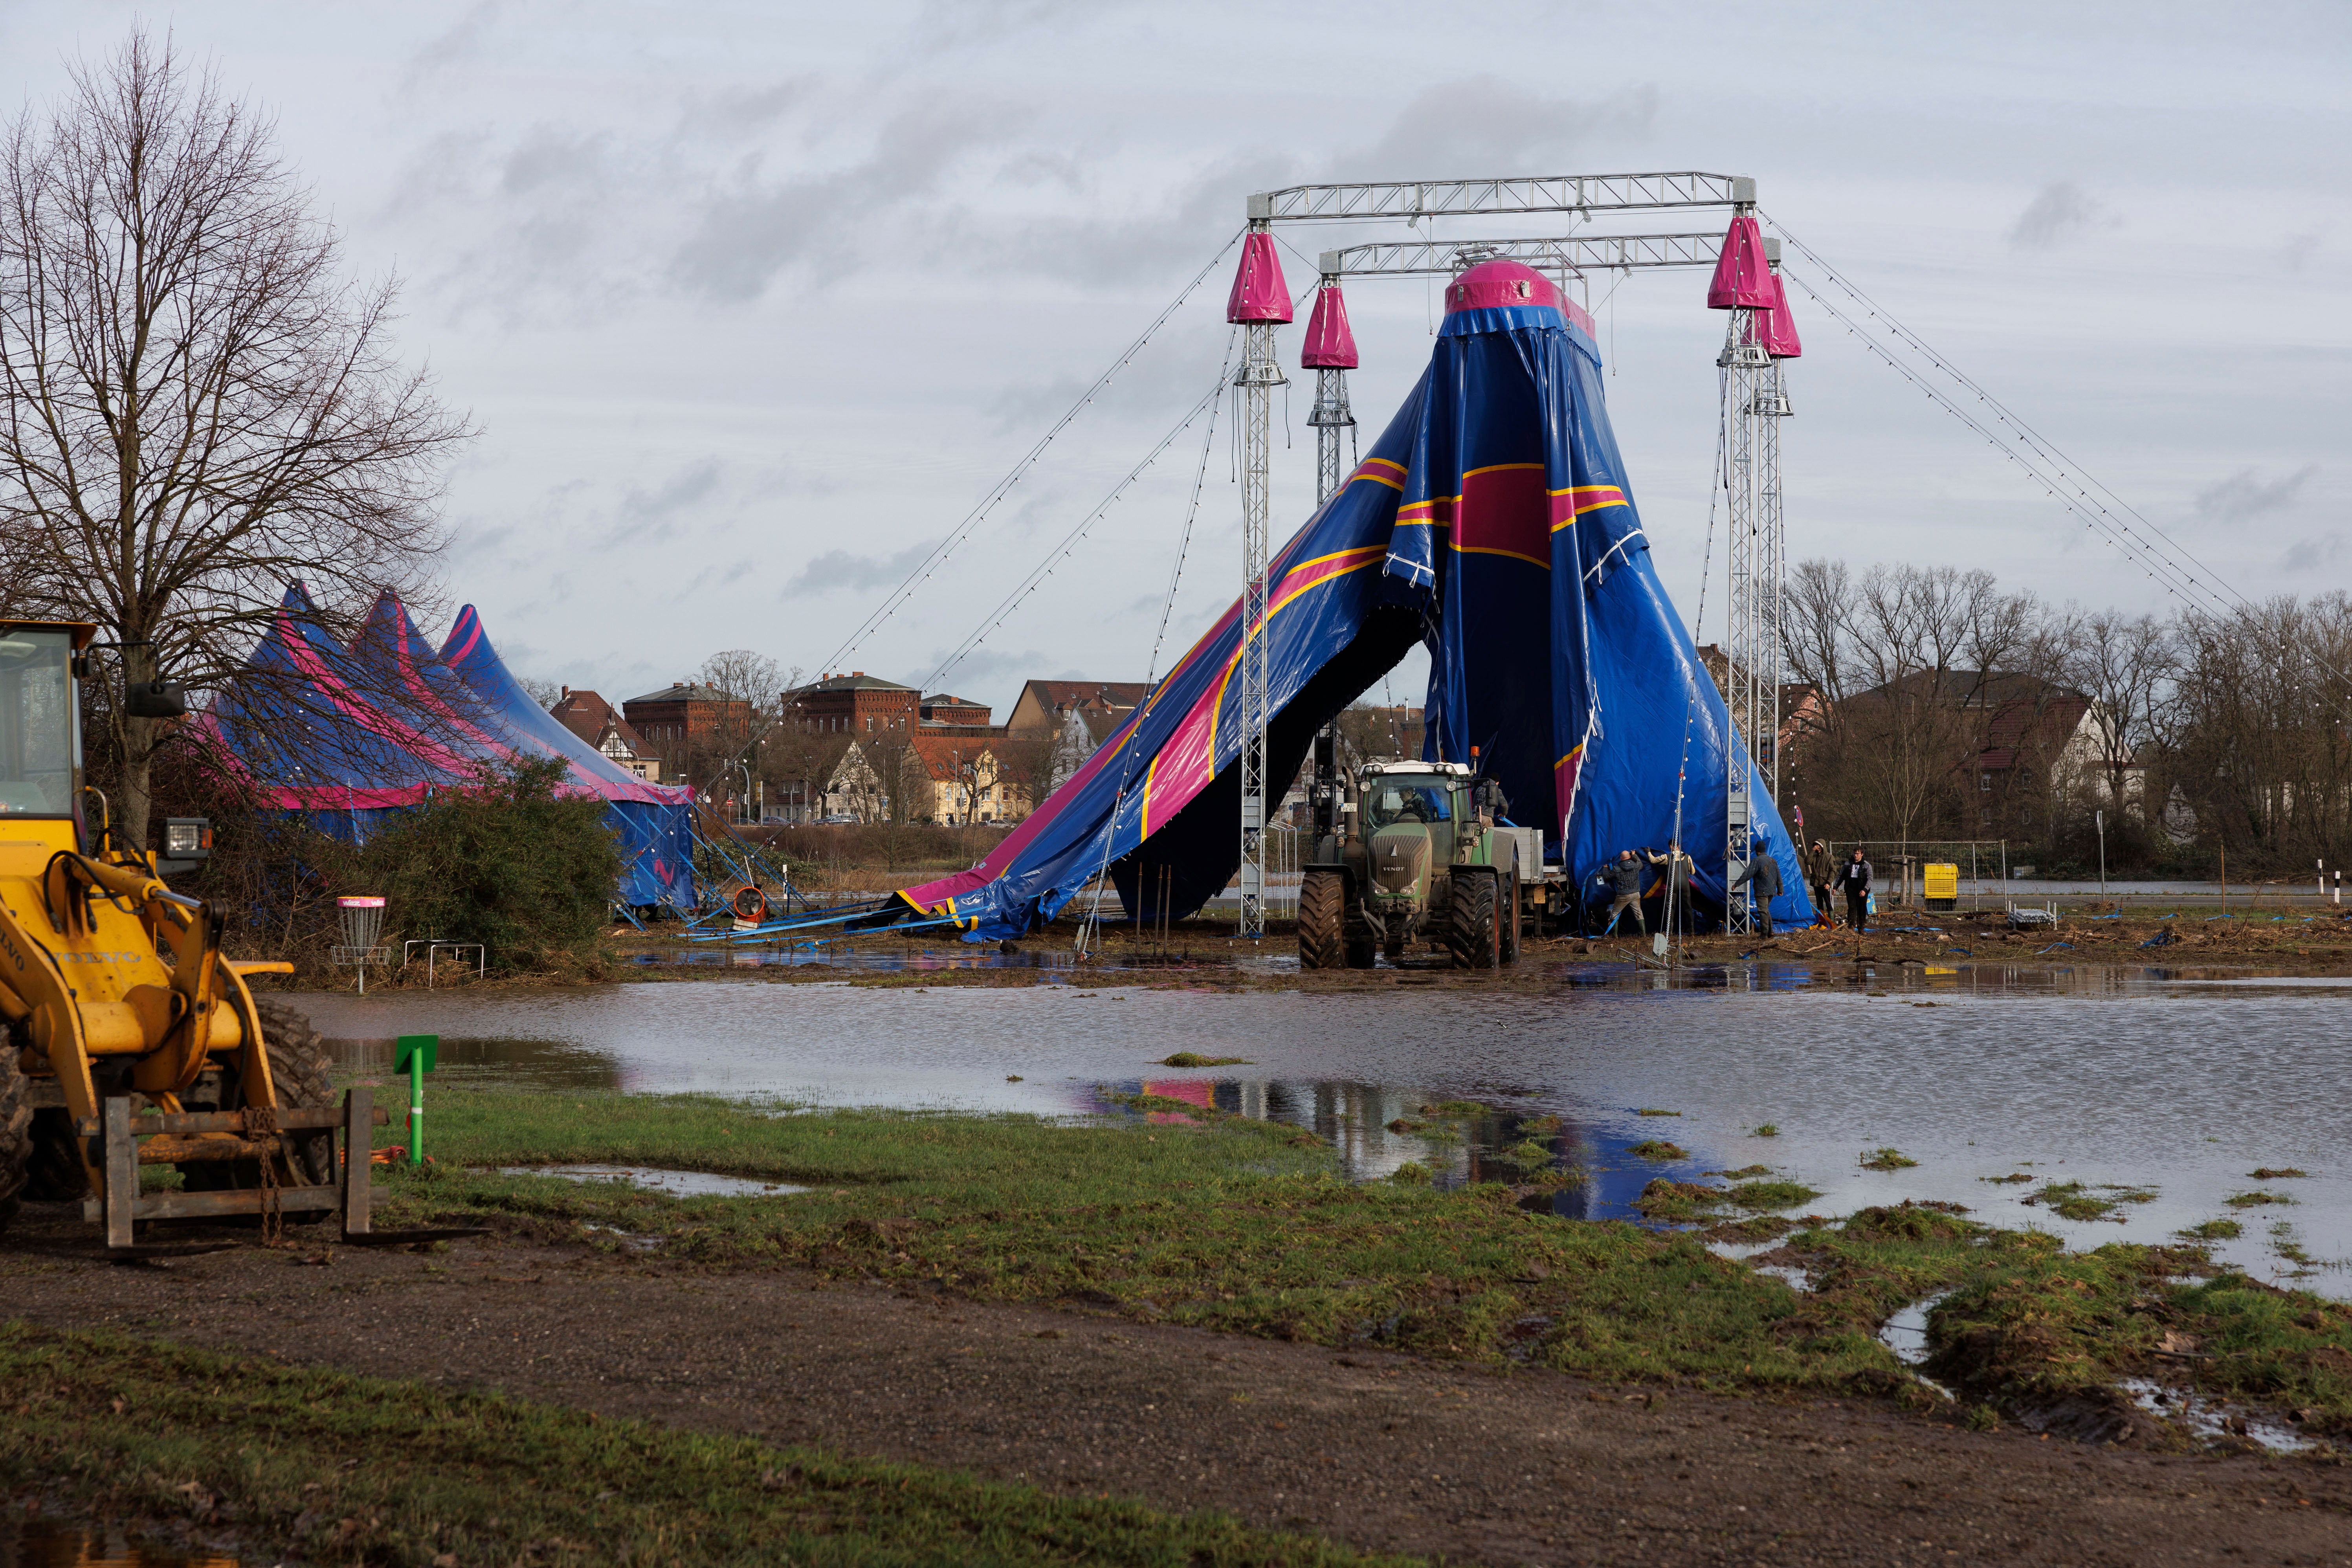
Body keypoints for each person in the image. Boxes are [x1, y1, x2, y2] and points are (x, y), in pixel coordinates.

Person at [1726, 835, 1784, 935]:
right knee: (1766, 910)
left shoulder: (1756, 861)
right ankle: (1770, 932)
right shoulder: (1773, 861)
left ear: (1757, 851)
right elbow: (1779, 876)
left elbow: (1748, 874)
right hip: (1772, 891)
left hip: (1762, 891)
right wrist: (1780, 890)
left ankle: (1765, 933)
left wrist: (1737, 884)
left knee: (1762, 911)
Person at [1646, 842, 1696, 937]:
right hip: (1685, 885)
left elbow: (1653, 861)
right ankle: (1692, 931)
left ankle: (1670, 931)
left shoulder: (1667, 857)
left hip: (1673, 884)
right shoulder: (1688, 857)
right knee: (1688, 908)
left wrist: (1648, 852)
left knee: (1670, 908)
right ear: (1679, 846)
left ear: (1670, 846)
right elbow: (1692, 872)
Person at [1599, 849, 1646, 935]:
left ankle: (1615, 936)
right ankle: (1644, 935)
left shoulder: (1617, 869)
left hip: (1623, 896)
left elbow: (1606, 877)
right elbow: (1641, 865)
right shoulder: (1636, 865)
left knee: (1615, 914)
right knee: (1639, 913)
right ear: (1630, 857)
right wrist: (1635, 855)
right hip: (1636, 894)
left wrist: (1605, 869)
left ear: (1621, 858)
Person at [1836, 847, 1873, 934]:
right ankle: (1851, 925)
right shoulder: (1848, 864)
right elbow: (1841, 876)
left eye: (1858, 854)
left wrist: (1865, 890)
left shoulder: (1867, 865)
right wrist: (1835, 887)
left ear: (1862, 855)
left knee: (1862, 909)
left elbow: (1870, 879)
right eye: (1855, 854)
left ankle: (1861, 927)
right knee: (1852, 908)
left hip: (1862, 890)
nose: (1856, 856)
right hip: (1851, 889)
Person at [1803, 838, 1836, 925]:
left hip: (1825, 884)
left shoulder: (1829, 857)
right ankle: (1821, 921)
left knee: (1828, 903)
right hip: (1817, 884)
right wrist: (1813, 851)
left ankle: (1831, 921)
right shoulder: (1814, 857)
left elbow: (1833, 871)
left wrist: (1829, 883)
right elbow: (1807, 861)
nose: (1817, 849)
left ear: (1822, 847)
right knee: (1819, 904)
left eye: (1818, 847)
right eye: (1816, 847)